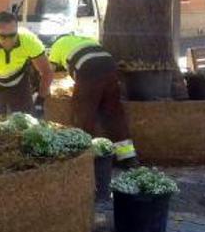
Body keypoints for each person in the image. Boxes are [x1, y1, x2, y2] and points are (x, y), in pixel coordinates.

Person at [49, 33, 139, 168]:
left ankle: (81, 159)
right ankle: (127, 158)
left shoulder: (57, 45)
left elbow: (50, 71)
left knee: (83, 116)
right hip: (109, 65)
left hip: (88, 68)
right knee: (114, 114)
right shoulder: (87, 39)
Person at [0, 11, 54, 122]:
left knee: (26, 122)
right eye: (2, 36)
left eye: (12, 35)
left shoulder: (29, 40)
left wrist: (40, 101)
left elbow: (47, 71)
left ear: (17, 30)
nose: (7, 40)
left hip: (20, 83)